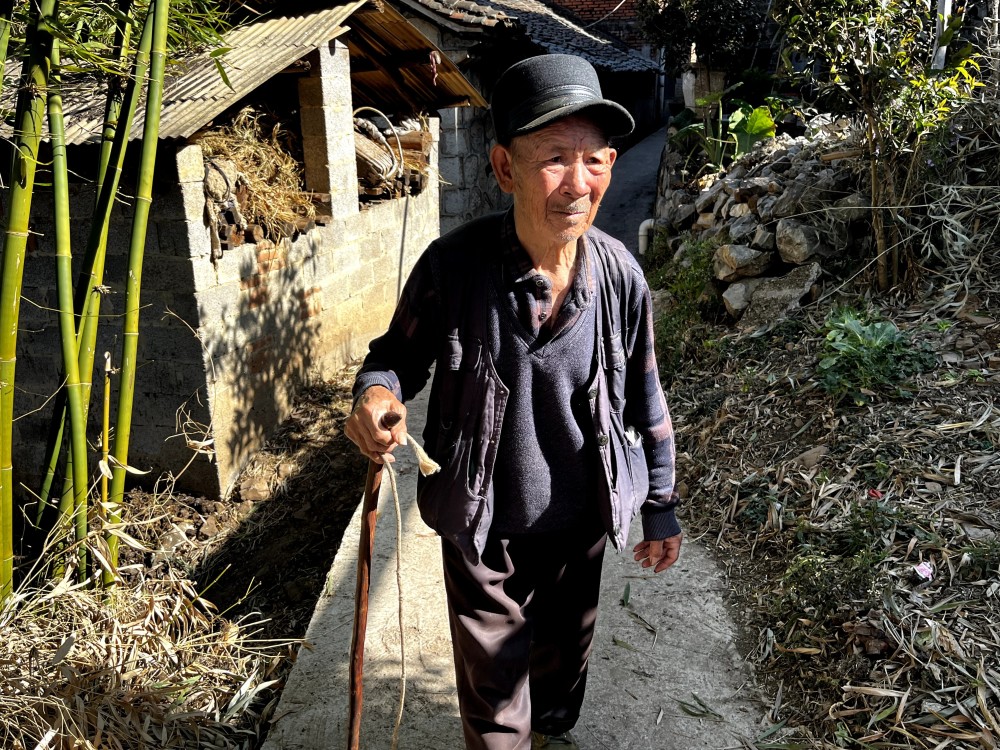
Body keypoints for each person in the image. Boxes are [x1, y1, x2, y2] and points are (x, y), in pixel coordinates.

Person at [345, 53, 682, 750]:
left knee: (559, 682)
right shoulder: (453, 268)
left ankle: (550, 733)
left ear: (612, 166)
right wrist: (375, 396)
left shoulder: (620, 277)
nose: (578, 183)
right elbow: (394, 358)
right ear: (504, 169)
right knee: (498, 708)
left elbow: (645, 392)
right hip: (484, 525)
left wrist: (660, 502)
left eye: (594, 161)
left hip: (581, 521)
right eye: (554, 159)